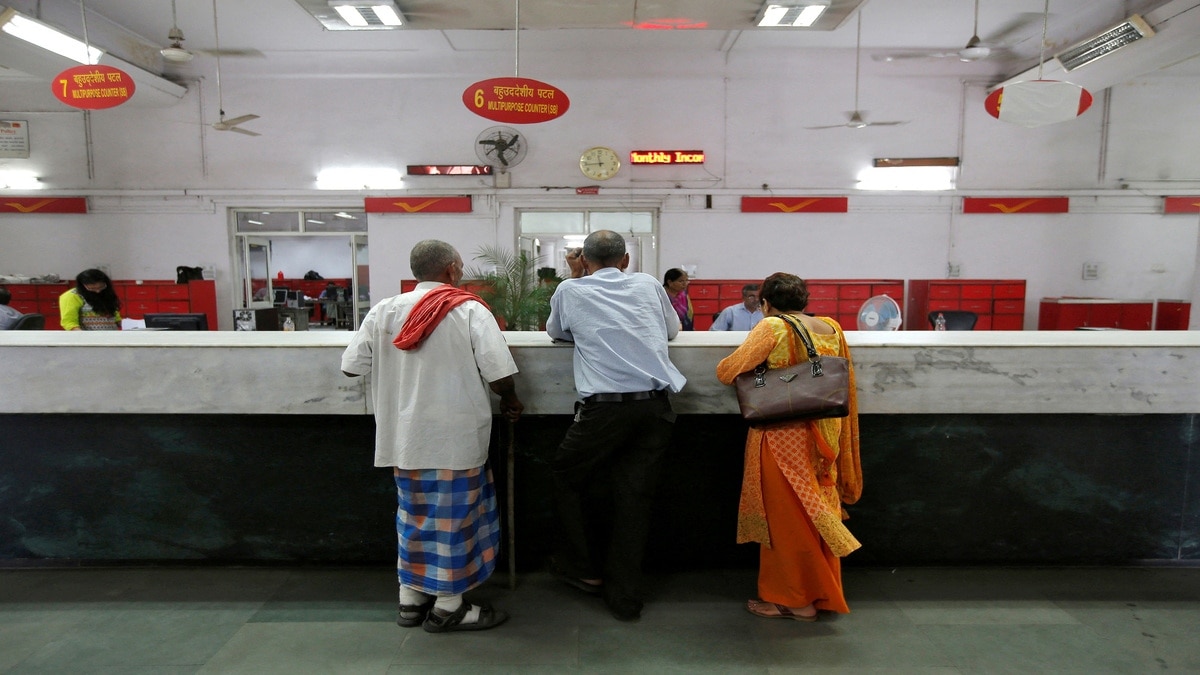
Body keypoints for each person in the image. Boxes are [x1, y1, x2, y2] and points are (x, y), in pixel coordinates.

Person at [340, 240, 523, 634]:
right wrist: (511, 400)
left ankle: (410, 601)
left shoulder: (384, 310)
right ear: (454, 269)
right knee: (454, 522)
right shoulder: (468, 309)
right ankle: (449, 607)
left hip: (404, 439)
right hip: (454, 438)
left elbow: (351, 367)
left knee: (414, 519)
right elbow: (499, 374)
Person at [545, 230, 687, 622]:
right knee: (634, 498)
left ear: (585, 262)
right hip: (655, 407)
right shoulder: (648, 285)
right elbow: (673, 331)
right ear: (625, 261)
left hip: (603, 411)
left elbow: (556, 332)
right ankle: (624, 598)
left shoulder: (571, 291)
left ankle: (582, 568)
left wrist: (578, 282)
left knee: (566, 477)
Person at [715, 272, 862, 622]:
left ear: (766, 302)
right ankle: (820, 592)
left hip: (785, 438)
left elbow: (727, 370)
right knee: (815, 513)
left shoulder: (772, 327)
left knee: (786, 519)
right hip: (826, 435)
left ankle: (796, 600)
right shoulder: (831, 327)